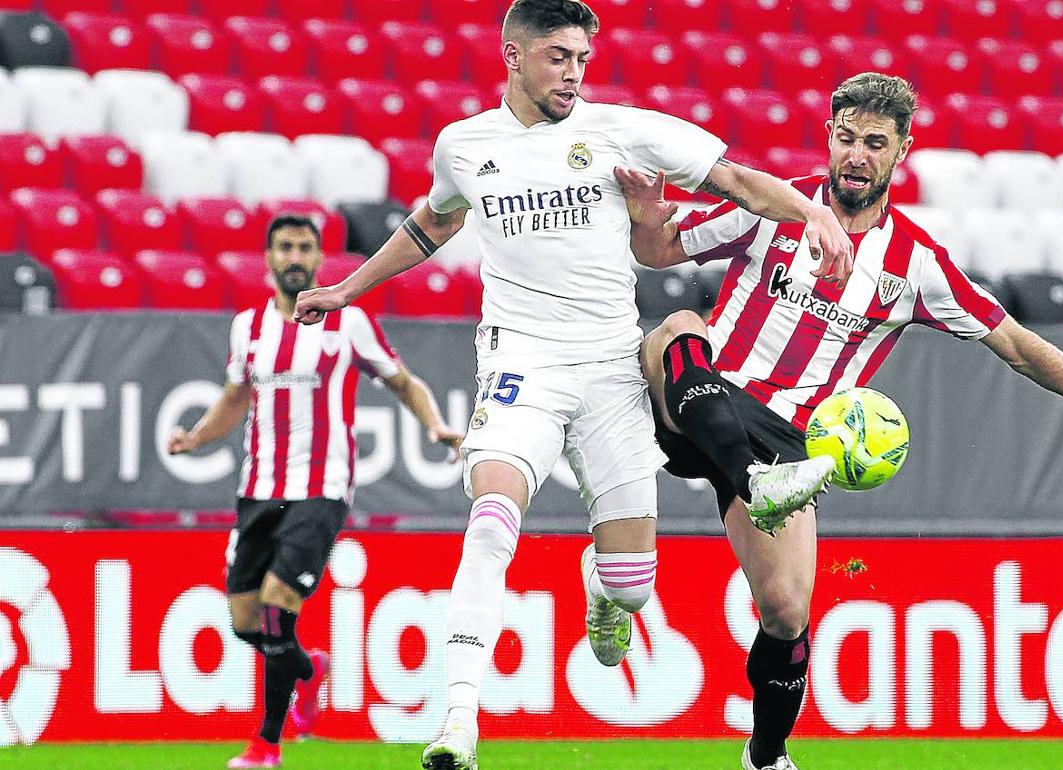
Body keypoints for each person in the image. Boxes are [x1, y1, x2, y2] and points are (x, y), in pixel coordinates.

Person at [292, 1, 859, 767]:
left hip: (610, 370)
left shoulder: (621, 130)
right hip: (519, 363)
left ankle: (603, 586)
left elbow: (734, 180)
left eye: (582, 59)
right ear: (513, 55)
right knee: (492, 517)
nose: (573, 73)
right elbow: (434, 223)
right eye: (558, 56)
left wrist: (812, 215)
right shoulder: (465, 145)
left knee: (632, 586)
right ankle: (458, 721)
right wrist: (345, 288)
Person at [616, 72, 1063, 770]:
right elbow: (658, 252)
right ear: (829, 137)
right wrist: (647, 218)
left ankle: (766, 756)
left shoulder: (917, 264)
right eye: (847, 138)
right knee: (677, 325)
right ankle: (713, 497)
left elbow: (1015, 344)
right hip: (702, 394)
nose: (856, 155)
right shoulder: (776, 206)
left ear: (901, 151)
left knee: (787, 612)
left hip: (787, 443)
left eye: (875, 143)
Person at [167, 214, 464, 770]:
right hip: (258, 487)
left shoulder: (348, 324)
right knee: (245, 620)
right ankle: (307, 671)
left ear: (320, 257)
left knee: (279, 604)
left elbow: (402, 381)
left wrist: (435, 425)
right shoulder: (247, 327)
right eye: (284, 247)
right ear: (268, 258)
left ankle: (266, 746)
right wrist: (197, 437)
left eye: (305, 247)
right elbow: (234, 398)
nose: (295, 256)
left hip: (322, 486)